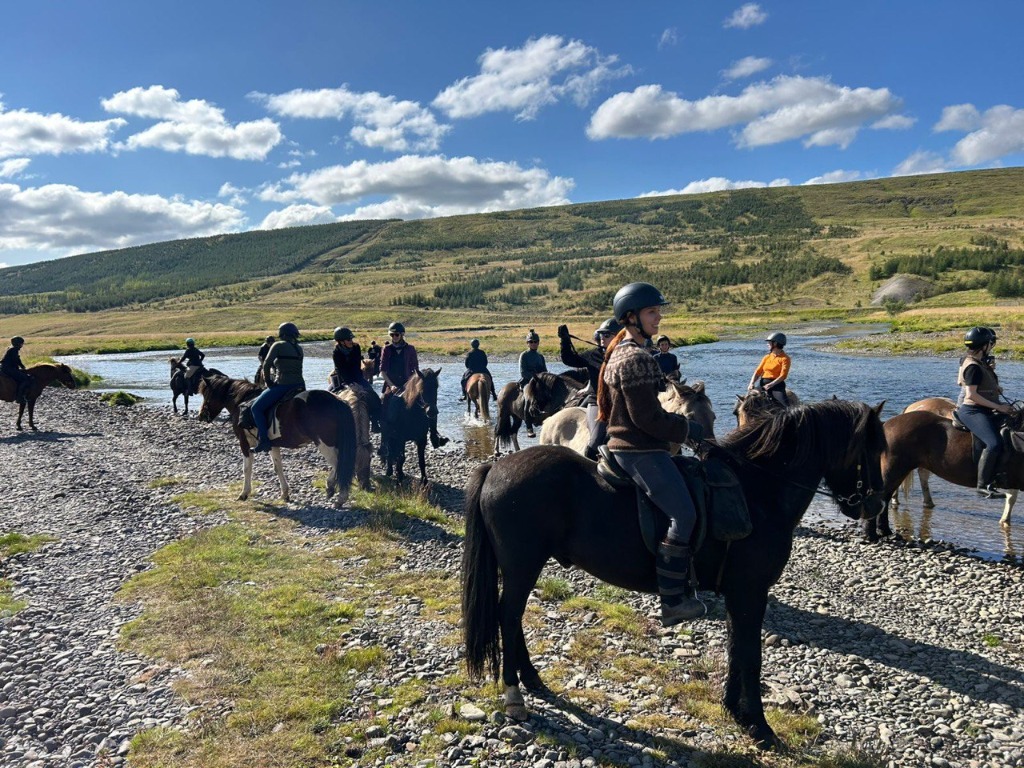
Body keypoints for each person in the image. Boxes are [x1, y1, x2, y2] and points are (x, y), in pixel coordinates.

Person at [598, 282, 706, 626]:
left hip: (635, 445)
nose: (658, 318)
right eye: (651, 312)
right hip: (638, 449)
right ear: (631, 317)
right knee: (684, 515)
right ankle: (672, 600)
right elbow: (647, 419)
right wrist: (687, 429)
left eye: (658, 311)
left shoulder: (627, 351)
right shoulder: (635, 357)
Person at [956, 326, 1015, 499]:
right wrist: (999, 407)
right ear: (984, 346)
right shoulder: (973, 366)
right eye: (990, 343)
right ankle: (982, 485)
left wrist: (995, 391)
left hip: (985, 407)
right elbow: (971, 395)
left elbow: (983, 387)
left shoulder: (978, 362)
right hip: (972, 411)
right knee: (993, 443)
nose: (992, 346)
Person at [557, 318, 620, 460]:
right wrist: (565, 341)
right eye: (601, 335)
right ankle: (589, 467)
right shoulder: (593, 355)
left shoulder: (625, 355)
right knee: (596, 441)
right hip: (597, 402)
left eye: (607, 335)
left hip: (620, 403)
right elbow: (569, 360)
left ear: (618, 336)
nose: (602, 338)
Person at [251, 322, 305, 453]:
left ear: (282, 334)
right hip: (300, 385)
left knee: (256, 408)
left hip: (283, 385)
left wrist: (269, 382)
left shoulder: (277, 345)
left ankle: (264, 440)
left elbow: (266, 364)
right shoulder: (299, 348)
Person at [333, 327, 382, 432]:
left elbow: (356, 367)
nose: (351, 341)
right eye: (348, 340)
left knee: (373, 395)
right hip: (342, 377)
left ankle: (375, 422)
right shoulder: (336, 352)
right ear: (341, 341)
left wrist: (357, 382)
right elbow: (341, 369)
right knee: (329, 394)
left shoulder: (356, 348)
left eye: (351, 339)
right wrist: (350, 384)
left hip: (357, 376)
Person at [747, 332, 791, 406]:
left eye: (769, 342)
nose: (767, 344)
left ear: (775, 343)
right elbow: (758, 372)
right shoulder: (766, 357)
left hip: (777, 386)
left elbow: (783, 376)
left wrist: (770, 385)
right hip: (763, 384)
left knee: (785, 406)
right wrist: (751, 383)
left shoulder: (785, 359)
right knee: (747, 402)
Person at [518, 330, 548, 438]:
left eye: (535, 342)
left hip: (540, 381)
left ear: (538, 343)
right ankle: (529, 427)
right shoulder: (524, 355)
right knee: (527, 398)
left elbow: (545, 370)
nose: (534, 343)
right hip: (527, 381)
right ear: (527, 343)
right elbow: (523, 372)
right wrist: (534, 378)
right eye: (531, 342)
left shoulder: (541, 357)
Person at [1, 336, 32, 404]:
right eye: (21, 343)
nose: (22, 345)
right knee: (25, 379)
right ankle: (19, 397)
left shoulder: (12, 349)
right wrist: (21, 368)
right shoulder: (14, 349)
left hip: (5, 367)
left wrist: (22, 366)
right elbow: (15, 361)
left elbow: (17, 360)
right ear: (18, 343)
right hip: (8, 369)